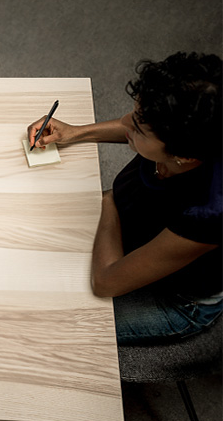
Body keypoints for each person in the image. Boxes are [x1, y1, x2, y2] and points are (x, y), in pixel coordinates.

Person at [27, 52, 222, 344]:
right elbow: (148, 126)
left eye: (137, 128)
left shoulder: (207, 213)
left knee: (45, 327)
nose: (123, 121)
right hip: (133, 233)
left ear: (183, 156)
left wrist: (108, 201)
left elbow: (106, 282)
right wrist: (76, 133)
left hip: (176, 300)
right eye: (135, 112)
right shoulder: (188, 134)